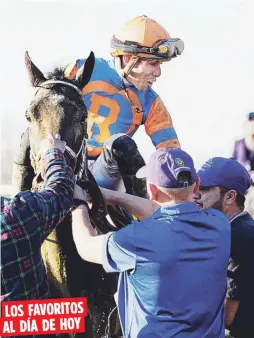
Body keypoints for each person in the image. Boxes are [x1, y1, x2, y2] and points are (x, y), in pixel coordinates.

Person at [12, 15, 183, 198]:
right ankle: (19, 204)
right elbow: (46, 103)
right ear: (128, 58)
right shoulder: (79, 69)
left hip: (103, 173)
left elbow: (170, 152)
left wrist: (183, 183)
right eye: (153, 63)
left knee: (121, 143)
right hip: (66, 160)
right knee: (28, 135)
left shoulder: (151, 102)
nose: (158, 72)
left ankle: (146, 219)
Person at [71, 148, 230, 338]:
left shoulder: (136, 238)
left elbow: (85, 246)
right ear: (196, 186)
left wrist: (77, 204)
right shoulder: (219, 223)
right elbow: (165, 213)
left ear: (151, 191)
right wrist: (110, 196)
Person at [1, 133, 75, 301]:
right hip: (32, 322)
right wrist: (53, 152)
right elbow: (61, 190)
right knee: (76, 313)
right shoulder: (16, 216)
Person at [194, 157, 254, 338]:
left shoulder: (236, 239)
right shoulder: (242, 229)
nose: (196, 196)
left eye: (203, 190)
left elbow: (227, 317)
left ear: (230, 197)